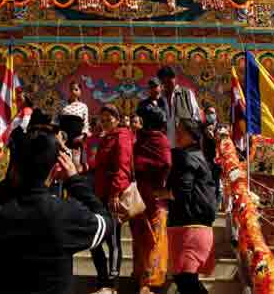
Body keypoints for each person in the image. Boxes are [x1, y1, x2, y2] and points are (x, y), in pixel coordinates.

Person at [0, 129, 110, 294]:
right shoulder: (65, 213)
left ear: (14, 167)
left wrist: (9, 181)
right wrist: (74, 181)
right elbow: (105, 222)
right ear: (55, 169)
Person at [167, 119, 217, 294]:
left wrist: (161, 193)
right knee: (187, 280)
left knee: (185, 280)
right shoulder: (201, 157)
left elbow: (181, 192)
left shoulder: (185, 156)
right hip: (198, 225)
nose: (177, 134)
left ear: (193, 136)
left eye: (182, 131)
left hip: (188, 227)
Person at [131, 101, 172, 294]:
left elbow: (165, 163)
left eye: (142, 118)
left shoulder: (159, 139)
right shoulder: (140, 138)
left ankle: (150, 280)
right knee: (141, 236)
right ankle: (140, 276)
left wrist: (143, 168)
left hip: (154, 195)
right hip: (140, 195)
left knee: (153, 237)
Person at [91, 104, 133, 294]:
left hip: (112, 195)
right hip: (98, 194)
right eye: (103, 119)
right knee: (95, 239)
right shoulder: (104, 138)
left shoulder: (122, 137)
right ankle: (102, 279)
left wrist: (116, 192)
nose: (106, 122)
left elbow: (123, 167)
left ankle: (112, 284)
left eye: (109, 119)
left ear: (117, 119)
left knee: (113, 240)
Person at [156, 66, 200, 147]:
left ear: (174, 79)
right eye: (163, 82)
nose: (166, 84)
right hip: (165, 146)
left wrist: (192, 136)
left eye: (168, 81)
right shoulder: (160, 99)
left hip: (184, 144)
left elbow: (196, 116)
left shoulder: (186, 93)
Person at [59, 81, 90, 171]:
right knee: (64, 166)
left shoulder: (83, 106)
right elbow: (59, 123)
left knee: (77, 167)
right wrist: (60, 139)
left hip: (77, 140)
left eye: (76, 89)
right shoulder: (63, 105)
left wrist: (82, 136)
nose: (73, 91)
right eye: (71, 89)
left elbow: (86, 124)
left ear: (80, 92)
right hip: (64, 141)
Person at [201, 105, 222, 208]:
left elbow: (223, 145)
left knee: (217, 184)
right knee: (205, 184)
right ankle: (206, 205)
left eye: (212, 113)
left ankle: (216, 207)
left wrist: (213, 137)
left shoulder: (220, 127)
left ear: (216, 114)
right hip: (205, 160)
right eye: (208, 113)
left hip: (217, 161)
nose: (211, 115)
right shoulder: (202, 127)